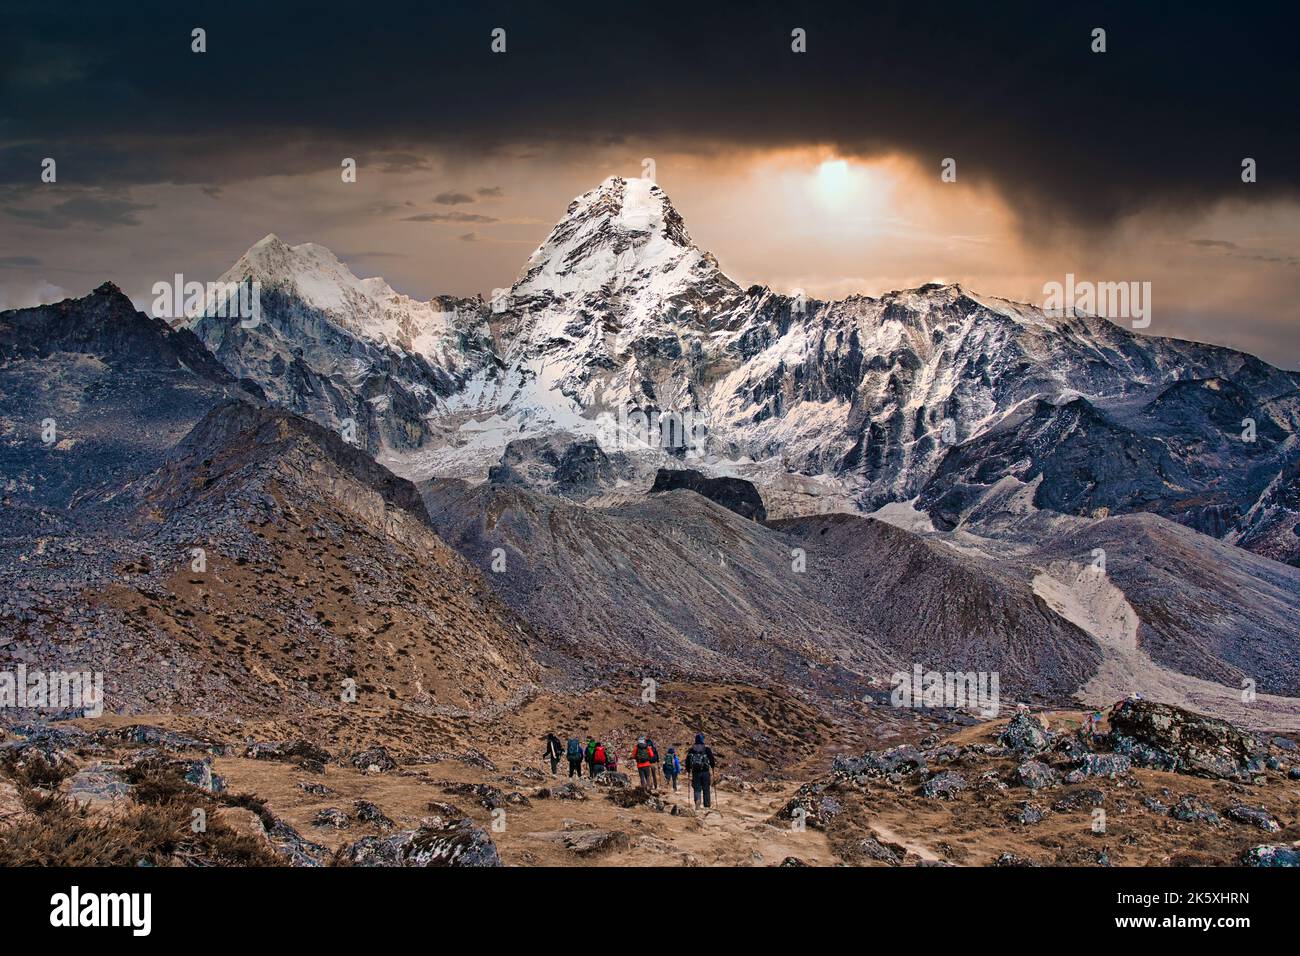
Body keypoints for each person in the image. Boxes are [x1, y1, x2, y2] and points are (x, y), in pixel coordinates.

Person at [685, 733, 716, 810]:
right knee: (706, 788)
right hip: (705, 772)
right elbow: (712, 759)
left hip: (695, 773)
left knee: (697, 788)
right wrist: (712, 766)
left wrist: (688, 770)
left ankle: (697, 801)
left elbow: (687, 761)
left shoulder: (692, 750)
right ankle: (707, 805)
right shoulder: (706, 749)